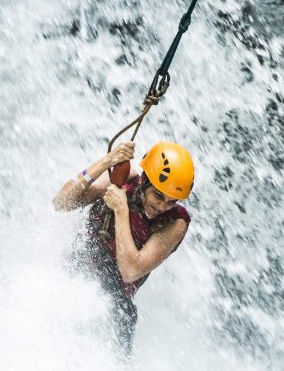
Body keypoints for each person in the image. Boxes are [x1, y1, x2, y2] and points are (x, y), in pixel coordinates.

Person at [52, 140, 195, 354]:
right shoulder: (124, 180)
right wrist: (107, 161)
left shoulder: (175, 222)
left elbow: (131, 271)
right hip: (70, 277)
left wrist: (121, 210)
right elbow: (61, 203)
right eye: (158, 195)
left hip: (114, 310)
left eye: (171, 201)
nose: (162, 206)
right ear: (145, 181)